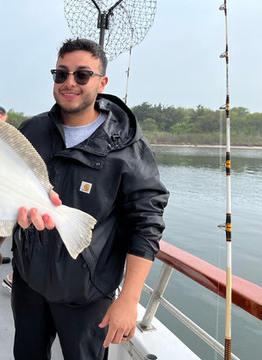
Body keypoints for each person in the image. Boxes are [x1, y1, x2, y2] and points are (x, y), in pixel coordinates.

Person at [10, 38, 169, 360]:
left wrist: (129, 298)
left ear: (102, 82)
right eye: (61, 74)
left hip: (87, 292)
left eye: (82, 75)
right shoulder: (31, 131)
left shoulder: (128, 148)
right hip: (28, 283)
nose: (70, 83)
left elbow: (146, 224)